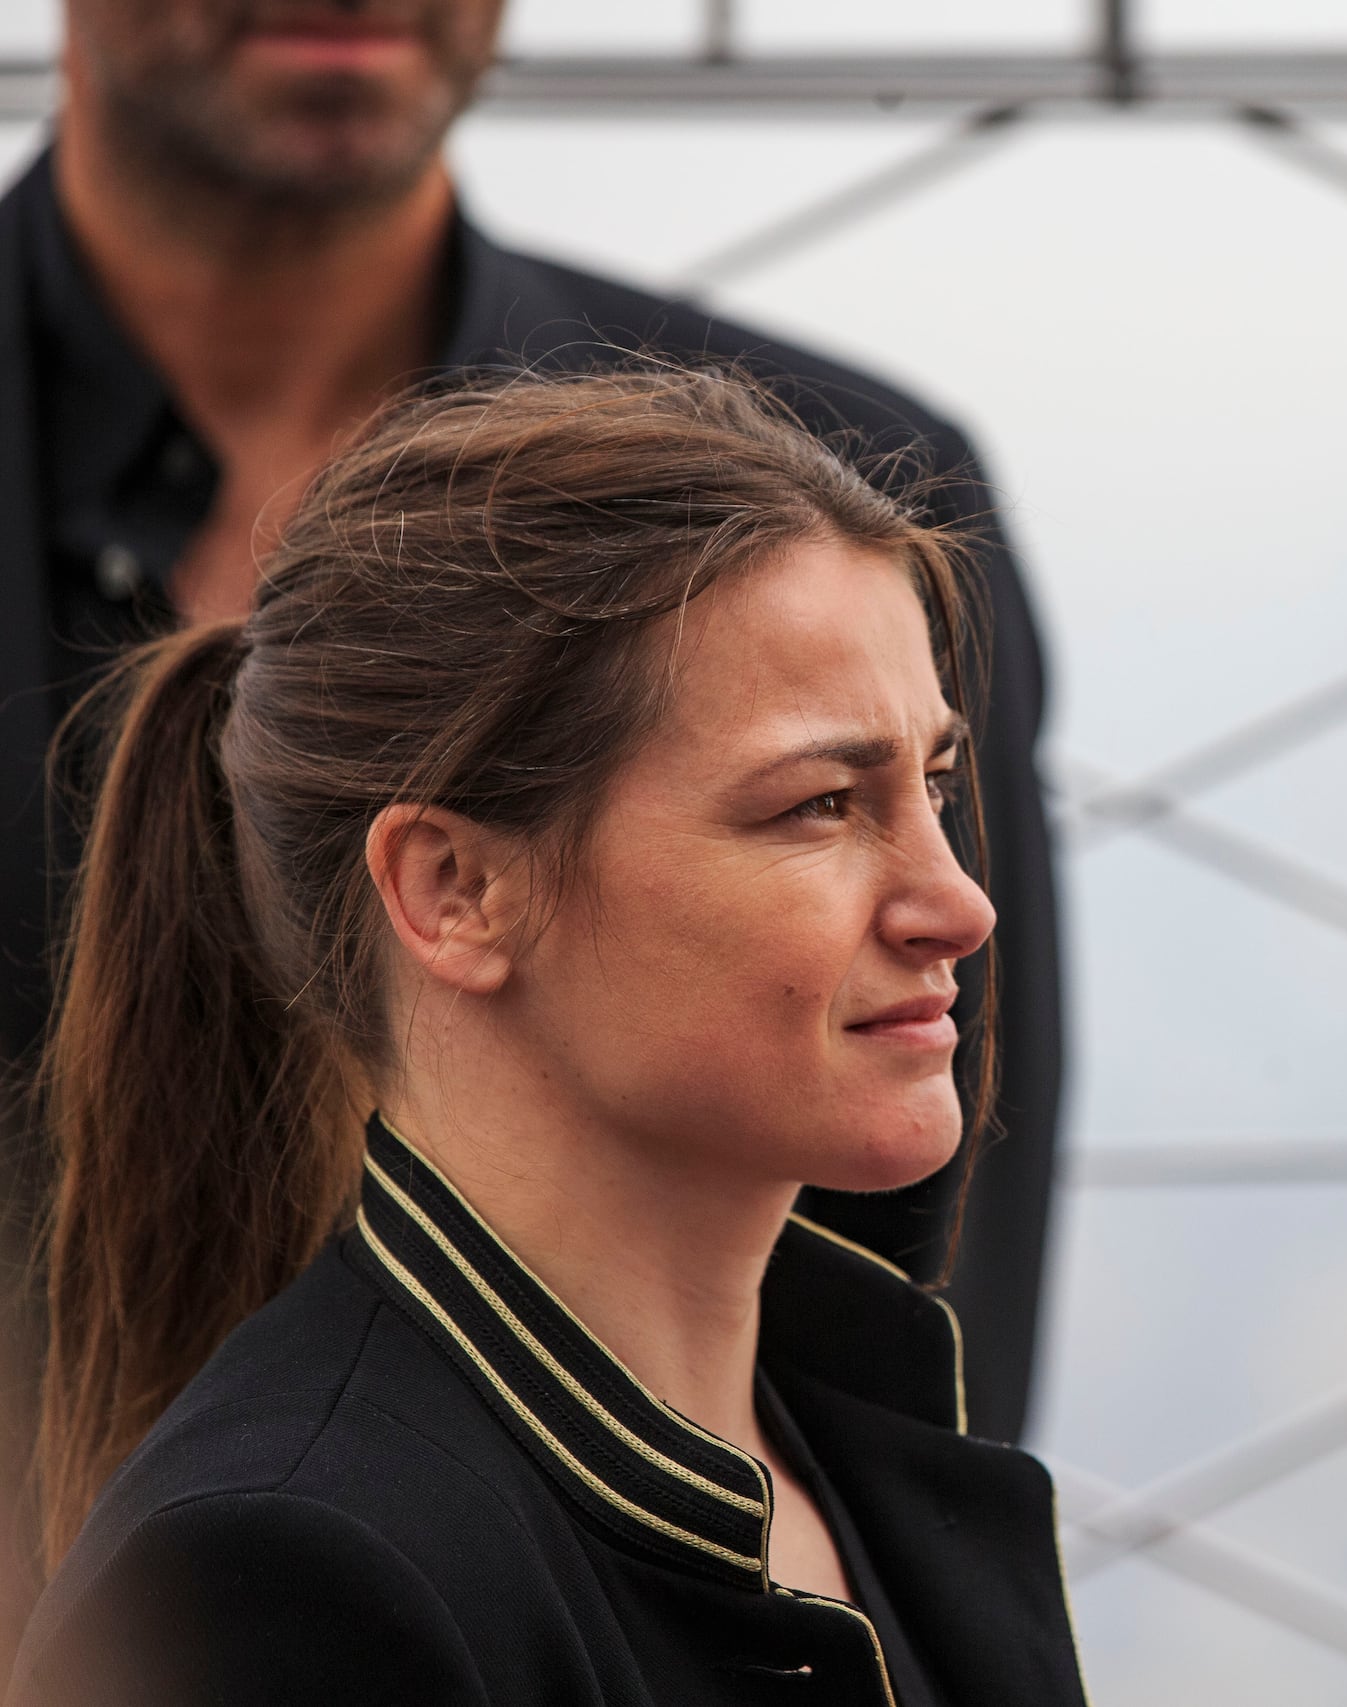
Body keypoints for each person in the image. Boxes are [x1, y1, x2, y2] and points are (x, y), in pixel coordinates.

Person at [0, 2, 1064, 1653]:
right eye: (814, 805)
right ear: (445, 881)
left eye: (917, 790)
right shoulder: (295, 1551)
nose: (943, 901)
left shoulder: (840, 485)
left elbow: (938, 1228)